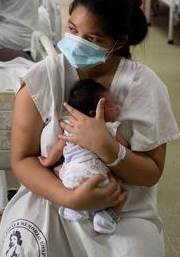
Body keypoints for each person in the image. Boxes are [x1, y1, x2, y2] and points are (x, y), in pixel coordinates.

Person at [0, 0, 180, 256]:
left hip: (122, 206)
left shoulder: (144, 86)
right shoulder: (43, 79)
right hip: (49, 198)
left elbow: (151, 172)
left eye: (92, 39)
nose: (77, 42)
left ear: (119, 42)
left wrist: (109, 149)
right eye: (72, 29)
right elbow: (23, 159)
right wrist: (70, 198)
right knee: (28, 248)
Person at [39, 79, 122, 234]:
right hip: (98, 177)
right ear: (94, 113)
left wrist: (46, 162)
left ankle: (75, 211)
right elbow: (124, 149)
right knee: (123, 193)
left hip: (71, 177)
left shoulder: (70, 127)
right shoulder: (110, 128)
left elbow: (57, 149)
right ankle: (106, 217)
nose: (118, 107)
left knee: (58, 168)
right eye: (112, 105)